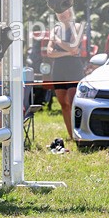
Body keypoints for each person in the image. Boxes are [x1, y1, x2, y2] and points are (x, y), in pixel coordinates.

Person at [46, 9, 85, 141]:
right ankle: (71, 135)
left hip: (74, 67)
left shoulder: (77, 27)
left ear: (70, 12)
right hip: (58, 68)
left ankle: (79, 133)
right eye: (59, 12)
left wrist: (57, 40)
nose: (62, 14)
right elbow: (50, 52)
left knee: (73, 100)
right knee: (63, 102)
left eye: (64, 11)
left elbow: (74, 47)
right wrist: (68, 52)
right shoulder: (55, 29)